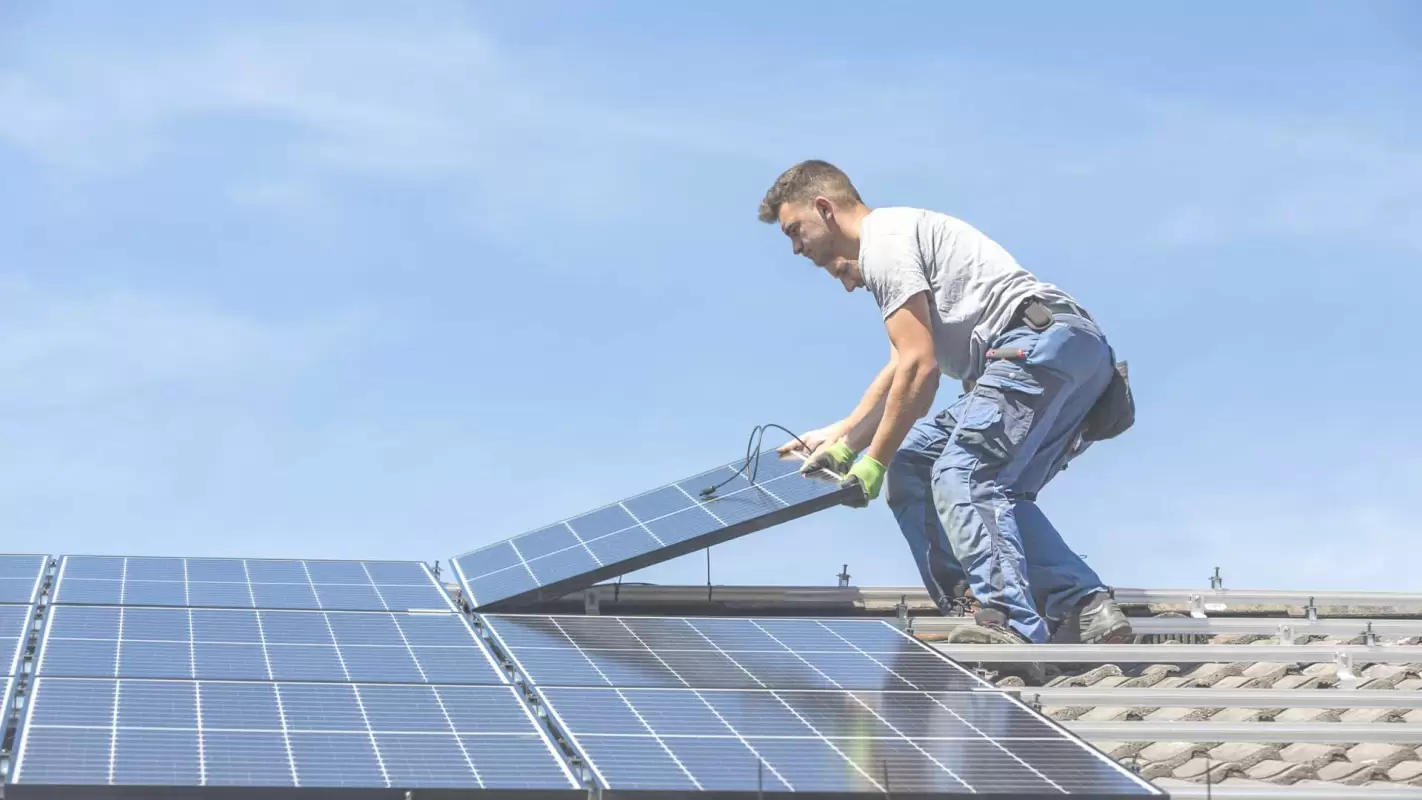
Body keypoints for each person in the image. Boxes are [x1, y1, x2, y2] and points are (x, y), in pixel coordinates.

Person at [758, 159, 1132, 646]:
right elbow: (900, 368)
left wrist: (871, 462)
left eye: (794, 230)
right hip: (1069, 355)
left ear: (824, 208)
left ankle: (1006, 624)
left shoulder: (882, 243)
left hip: (1032, 348)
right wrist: (843, 435)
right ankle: (1083, 606)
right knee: (919, 466)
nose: (795, 248)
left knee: (963, 473)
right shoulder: (901, 240)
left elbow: (921, 371)